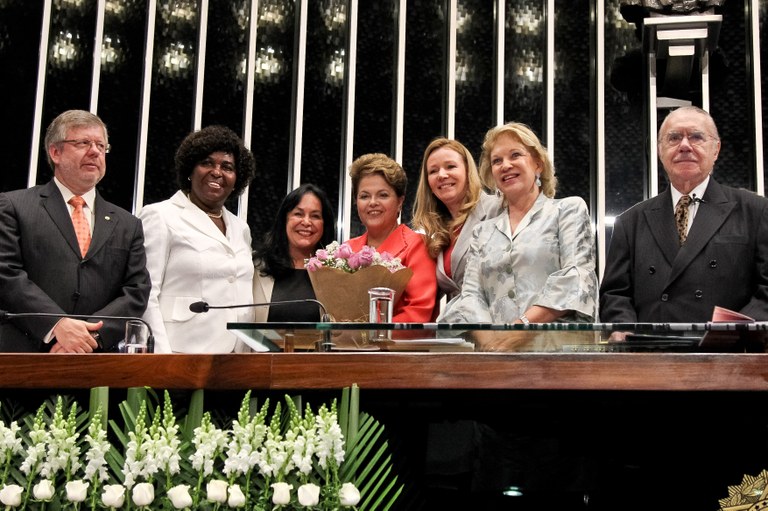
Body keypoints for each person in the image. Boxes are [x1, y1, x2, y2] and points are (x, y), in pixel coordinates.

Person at [0, 109, 150, 353]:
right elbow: (6, 275)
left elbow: (136, 292)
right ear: (55, 152)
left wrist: (89, 337)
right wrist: (57, 325)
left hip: (97, 360)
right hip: (24, 355)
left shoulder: (127, 223)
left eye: (101, 146)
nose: (95, 151)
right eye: (83, 143)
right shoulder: (14, 206)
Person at [599, 106, 768, 323]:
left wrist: (733, 332)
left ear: (716, 149)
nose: (685, 146)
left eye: (696, 137)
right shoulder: (630, 222)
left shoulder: (756, 211)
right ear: (660, 151)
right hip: (652, 352)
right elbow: (615, 296)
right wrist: (625, 332)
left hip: (727, 351)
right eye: (674, 138)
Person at [439, 122, 598, 324]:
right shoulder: (482, 232)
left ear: (537, 164)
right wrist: (492, 340)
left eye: (515, 155)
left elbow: (576, 279)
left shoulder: (568, 210)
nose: (506, 165)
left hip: (557, 348)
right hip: (495, 350)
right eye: (497, 161)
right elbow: (471, 296)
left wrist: (520, 326)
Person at [138, 125, 256, 353]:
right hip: (180, 354)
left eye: (227, 167)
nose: (217, 172)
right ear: (190, 170)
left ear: (236, 179)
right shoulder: (160, 216)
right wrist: (161, 357)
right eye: (207, 163)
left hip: (237, 358)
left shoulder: (241, 228)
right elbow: (146, 294)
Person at [347, 153, 438, 323]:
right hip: (348, 347)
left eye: (383, 195)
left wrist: (367, 335)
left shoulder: (417, 246)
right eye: (364, 196)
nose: (372, 202)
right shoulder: (346, 250)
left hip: (400, 347)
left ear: (400, 202)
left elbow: (418, 312)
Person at [411, 137, 503, 302]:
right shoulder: (436, 232)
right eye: (433, 171)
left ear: (468, 171)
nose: (442, 175)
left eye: (450, 166)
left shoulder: (497, 209)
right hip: (456, 324)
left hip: (500, 323)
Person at [253, 183, 336, 322]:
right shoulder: (256, 266)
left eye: (315, 216)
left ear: (324, 224)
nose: (306, 222)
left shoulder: (336, 271)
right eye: (298, 214)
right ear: (284, 219)